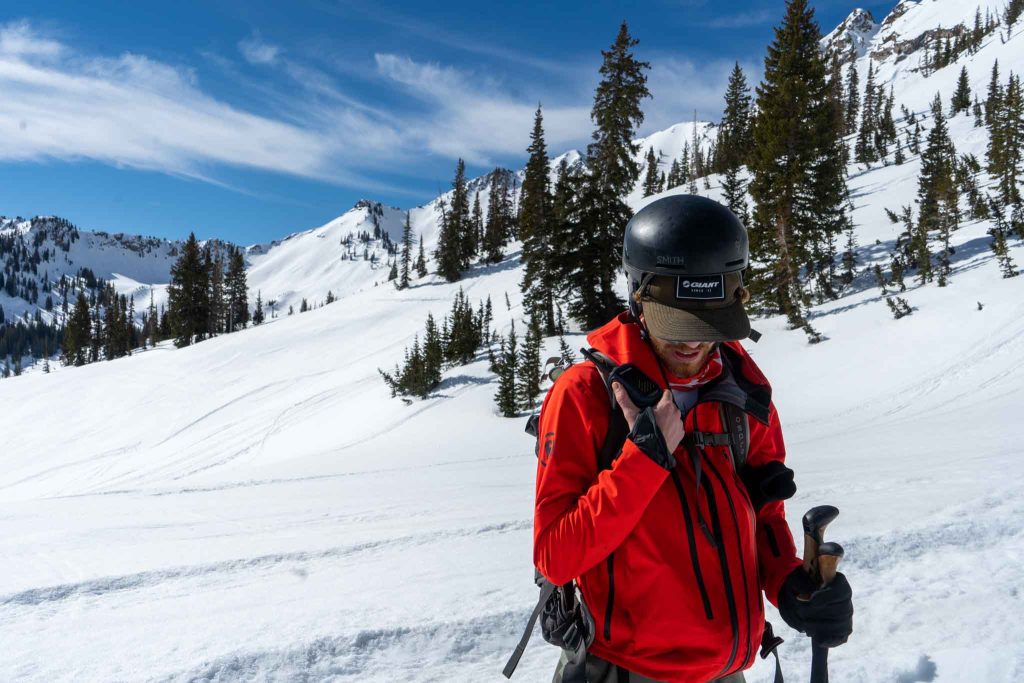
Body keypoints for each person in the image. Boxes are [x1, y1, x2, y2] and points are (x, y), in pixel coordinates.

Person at [532, 195, 853, 683]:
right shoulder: (584, 394)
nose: (693, 342)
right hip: (624, 672)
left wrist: (790, 585)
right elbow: (556, 557)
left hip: (727, 671)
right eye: (677, 322)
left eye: (710, 323)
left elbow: (763, 513)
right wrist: (644, 460)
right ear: (639, 295)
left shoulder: (742, 388)